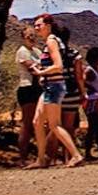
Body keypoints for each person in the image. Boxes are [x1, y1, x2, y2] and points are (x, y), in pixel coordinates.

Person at [28, 14, 82, 169]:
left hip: (54, 86)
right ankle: (41, 159)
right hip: (50, 86)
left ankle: (76, 155)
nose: (36, 28)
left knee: (54, 125)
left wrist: (41, 73)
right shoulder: (51, 42)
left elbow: (58, 66)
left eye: (39, 25)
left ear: (48, 25)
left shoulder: (51, 42)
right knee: (37, 122)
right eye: (35, 25)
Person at [53, 22, 87, 161]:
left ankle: (52, 158)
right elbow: (79, 77)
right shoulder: (74, 54)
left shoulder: (51, 54)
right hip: (71, 92)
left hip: (55, 91)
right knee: (69, 126)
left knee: (54, 126)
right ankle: (69, 157)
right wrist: (82, 93)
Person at [14, 25, 42, 163]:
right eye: (28, 35)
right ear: (23, 37)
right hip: (27, 88)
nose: (32, 38)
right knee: (27, 122)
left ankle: (40, 155)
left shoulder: (37, 51)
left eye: (33, 35)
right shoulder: (22, 51)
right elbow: (33, 68)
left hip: (39, 88)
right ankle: (22, 157)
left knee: (39, 122)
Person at [82, 47, 98, 160]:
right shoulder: (89, 71)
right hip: (92, 100)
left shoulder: (96, 69)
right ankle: (87, 152)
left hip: (97, 100)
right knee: (93, 127)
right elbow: (82, 82)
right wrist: (91, 90)